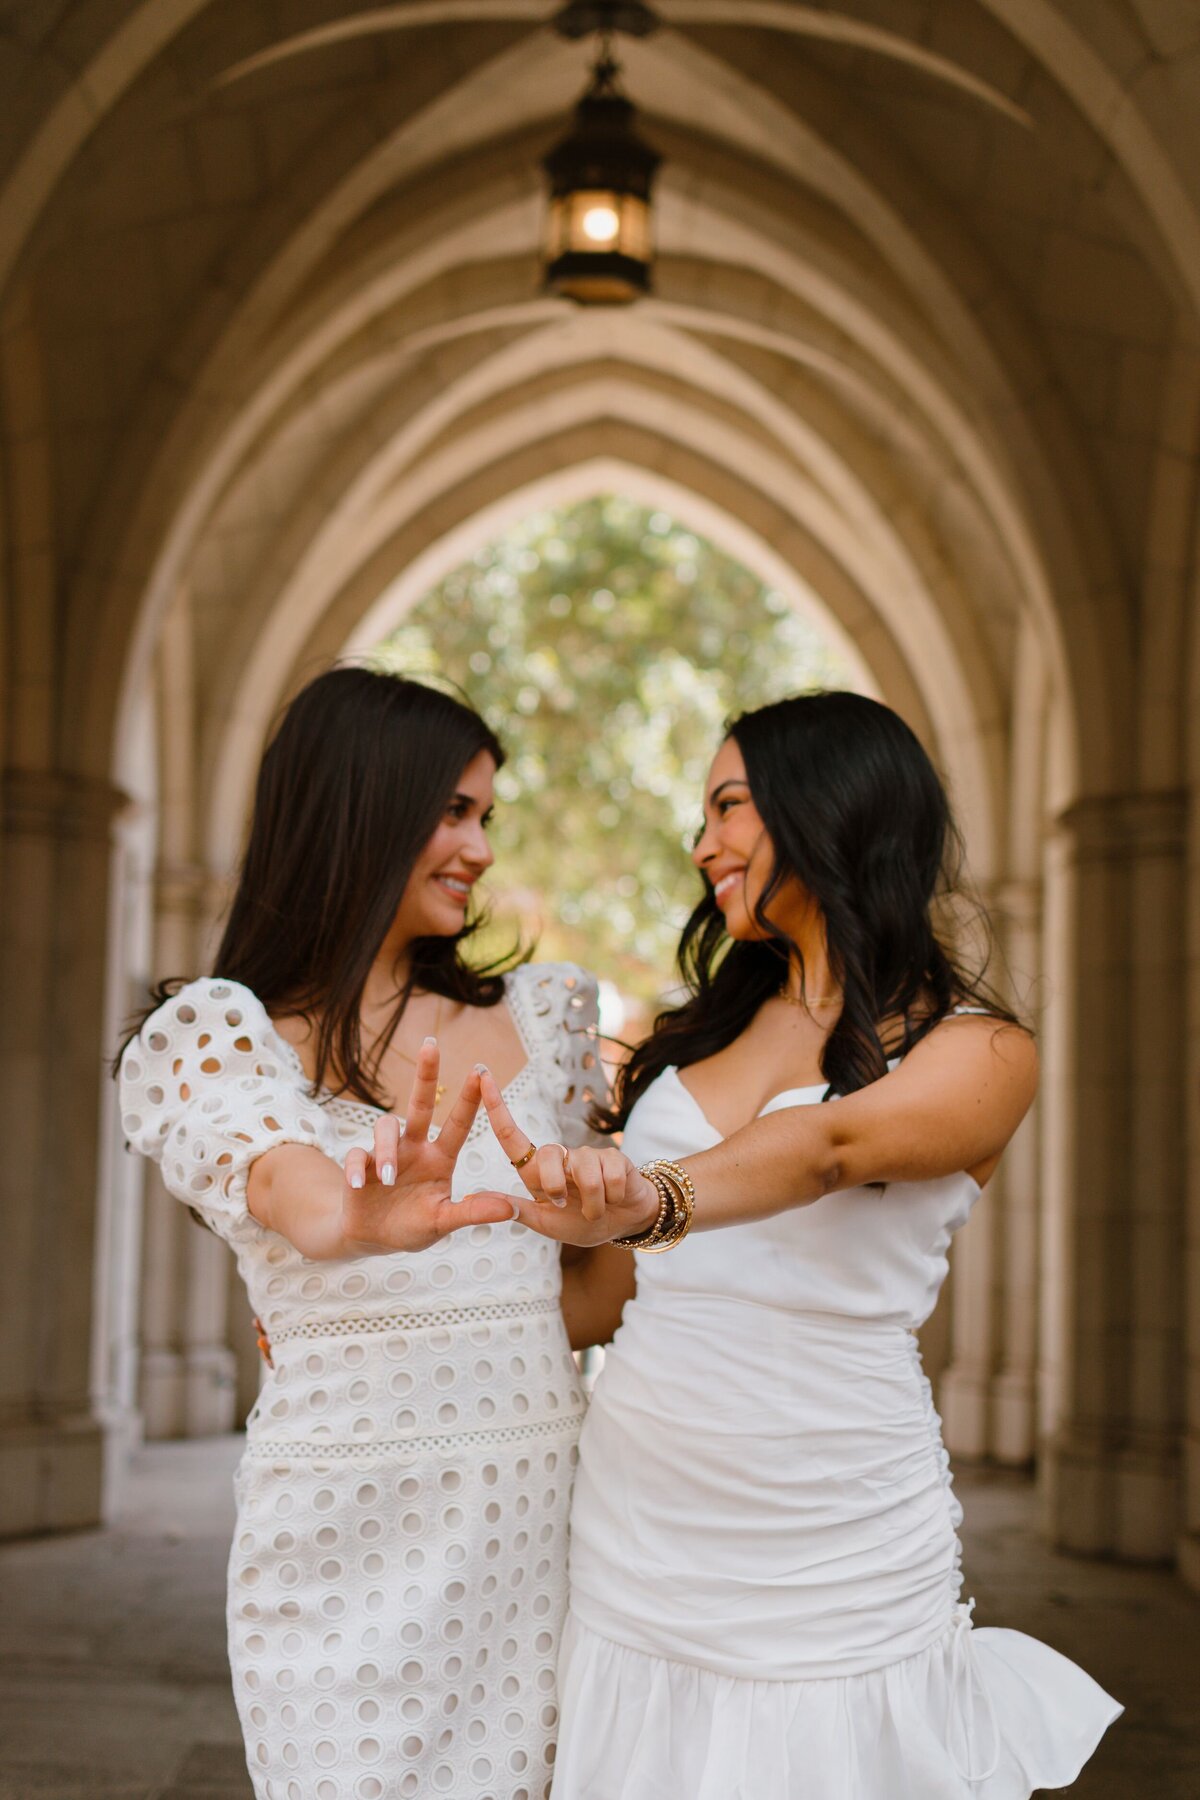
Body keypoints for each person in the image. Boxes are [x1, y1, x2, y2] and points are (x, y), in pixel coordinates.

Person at [475, 691, 1121, 1799]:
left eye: (729, 805)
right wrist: (366, 1321)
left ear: (828, 806)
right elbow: (596, 1299)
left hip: (838, 1528)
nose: (702, 845)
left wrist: (644, 1195)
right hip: (644, 1522)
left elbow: (829, 1144)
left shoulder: (982, 1052)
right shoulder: (687, 1044)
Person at [117, 666, 633, 1800]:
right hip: (344, 1533)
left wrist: (629, 1213)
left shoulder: (544, 1021)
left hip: (536, 1529)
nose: (482, 848)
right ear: (360, 807)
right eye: (454, 811)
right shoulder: (219, 1036)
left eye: (487, 816)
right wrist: (360, 1219)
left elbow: (591, 1296)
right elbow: (300, 1197)